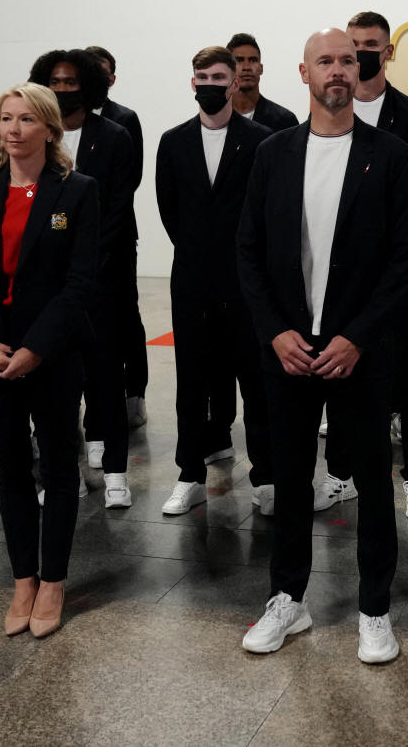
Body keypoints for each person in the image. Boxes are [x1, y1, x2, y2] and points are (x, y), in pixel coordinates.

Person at [237, 28, 408, 663]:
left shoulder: (389, 154)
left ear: (360, 67)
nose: (338, 70)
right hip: (289, 348)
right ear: (304, 73)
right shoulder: (274, 153)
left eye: (347, 60)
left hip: (359, 350)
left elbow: (405, 258)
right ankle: (288, 598)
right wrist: (275, 330)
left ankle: (374, 608)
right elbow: (248, 252)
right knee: (289, 479)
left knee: (372, 480)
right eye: (325, 61)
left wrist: (357, 336)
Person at [0, 82, 99, 637]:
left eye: (27, 119)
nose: (14, 129)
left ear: (50, 129)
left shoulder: (76, 191)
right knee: (11, 467)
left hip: (52, 350)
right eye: (6, 118)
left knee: (58, 467)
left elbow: (80, 281)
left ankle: (53, 580)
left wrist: (38, 347)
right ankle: (23, 580)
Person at [321, 10, 408, 519]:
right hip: (340, 279)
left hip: (396, 276)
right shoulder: (330, 111)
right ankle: (339, 474)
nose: (362, 53)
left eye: (372, 45)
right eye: (355, 45)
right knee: (339, 376)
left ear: (388, 52)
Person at [156, 46, 274, 516]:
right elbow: (169, 209)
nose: (209, 84)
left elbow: (265, 212)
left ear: (233, 82)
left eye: (218, 77)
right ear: (193, 83)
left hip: (245, 283)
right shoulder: (173, 142)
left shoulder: (261, 141)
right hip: (192, 282)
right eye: (201, 77)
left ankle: (266, 477)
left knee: (256, 382)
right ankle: (190, 475)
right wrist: (197, 253)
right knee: (191, 382)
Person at [29, 48, 138, 508]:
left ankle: (115, 473)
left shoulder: (113, 136)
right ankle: (64, 472)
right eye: (54, 82)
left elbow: (117, 209)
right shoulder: (37, 137)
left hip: (101, 279)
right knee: (55, 387)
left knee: (106, 380)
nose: (62, 89)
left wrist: (84, 264)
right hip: (49, 284)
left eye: (71, 82)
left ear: (88, 86)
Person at [84, 44, 148, 430]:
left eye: (103, 70)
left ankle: (134, 391)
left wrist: (103, 232)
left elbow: (130, 178)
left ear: (112, 77)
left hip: (118, 235)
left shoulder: (124, 119)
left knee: (126, 314)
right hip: (73, 237)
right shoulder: (63, 119)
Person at [226, 33, 300, 131]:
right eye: (239, 60)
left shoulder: (285, 120)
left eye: (252, 60)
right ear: (227, 69)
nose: (246, 67)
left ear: (261, 68)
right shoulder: (214, 119)